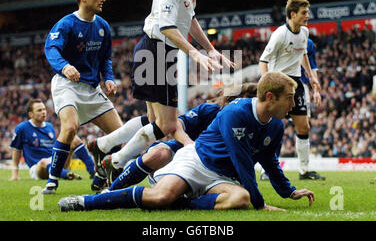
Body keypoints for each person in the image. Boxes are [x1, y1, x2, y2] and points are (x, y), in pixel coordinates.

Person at [58, 72, 315, 212]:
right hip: (196, 162)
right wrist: (262, 206)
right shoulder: (234, 113)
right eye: (290, 98)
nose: (294, 105)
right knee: (160, 197)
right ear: (270, 97)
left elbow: (269, 160)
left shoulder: (276, 125)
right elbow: (243, 161)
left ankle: (183, 202)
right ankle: (87, 201)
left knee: (240, 199)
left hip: (221, 178)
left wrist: (289, 192)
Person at [93, 0, 234, 178]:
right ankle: (115, 161)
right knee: (168, 124)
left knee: (153, 119)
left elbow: (189, 19)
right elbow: (167, 28)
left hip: (156, 50)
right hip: (158, 52)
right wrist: (194, 53)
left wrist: (210, 49)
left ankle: (102, 146)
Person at [43, 0, 123, 194]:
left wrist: (107, 78)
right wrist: (64, 66)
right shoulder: (66, 24)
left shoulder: (103, 26)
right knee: (70, 127)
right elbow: (51, 49)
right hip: (67, 84)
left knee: (121, 134)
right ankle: (52, 180)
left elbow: (105, 58)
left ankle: (99, 173)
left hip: (91, 87)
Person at [99, 83, 258, 189]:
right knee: (161, 153)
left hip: (215, 171)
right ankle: (111, 190)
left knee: (235, 198)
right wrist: (190, 145)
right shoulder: (210, 110)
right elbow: (176, 125)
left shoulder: (258, 126)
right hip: (183, 156)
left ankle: (118, 163)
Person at [259, 0, 325, 180]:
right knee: (274, 128)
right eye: (304, 13)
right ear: (292, 14)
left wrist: (311, 78)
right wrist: (266, 84)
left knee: (304, 127)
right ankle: (267, 169)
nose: (308, 16)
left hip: (295, 84)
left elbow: (303, 54)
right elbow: (263, 60)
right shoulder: (280, 34)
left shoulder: (304, 32)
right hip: (278, 83)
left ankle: (304, 171)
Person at [9, 99, 86, 181]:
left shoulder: (49, 126)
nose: (43, 112)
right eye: (39, 110)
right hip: (38, 167)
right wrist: (15, 174)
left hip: (54, 161)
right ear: (30, 114)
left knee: (74, 139)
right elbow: (16, 150)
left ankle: (92, 171)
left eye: (44, 109)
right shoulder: (22, 128)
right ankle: (64, 174)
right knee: (44, 162)